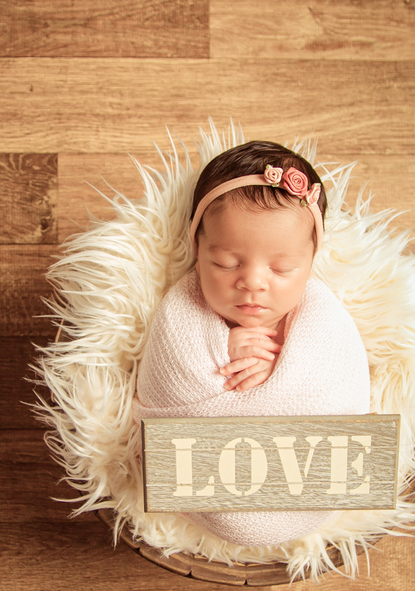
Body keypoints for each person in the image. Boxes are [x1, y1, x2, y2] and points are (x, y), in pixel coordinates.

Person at [134, 140, 372, 547]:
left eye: (282, 268)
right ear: (197, 249)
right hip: (205, 477)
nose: (253, 282)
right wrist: (220, 359)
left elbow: (338, 390)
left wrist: (281, 371)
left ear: (311, 260)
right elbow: (167, 382)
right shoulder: (181, 314)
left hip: (303, 476)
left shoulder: (322, 321)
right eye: (226, 263)